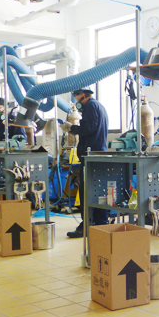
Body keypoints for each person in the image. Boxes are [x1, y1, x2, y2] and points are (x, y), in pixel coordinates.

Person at [60, 88, 109, 238]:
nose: (76, 101)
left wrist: (72, 128)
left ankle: (87, 223)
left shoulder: (91, 106)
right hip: (98, 154)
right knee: (98, 190)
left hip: (90, 155)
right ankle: (101, 222)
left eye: (76, 97)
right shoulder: (99, 106)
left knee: (86, 191)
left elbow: (89, 128)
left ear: (82, 95)